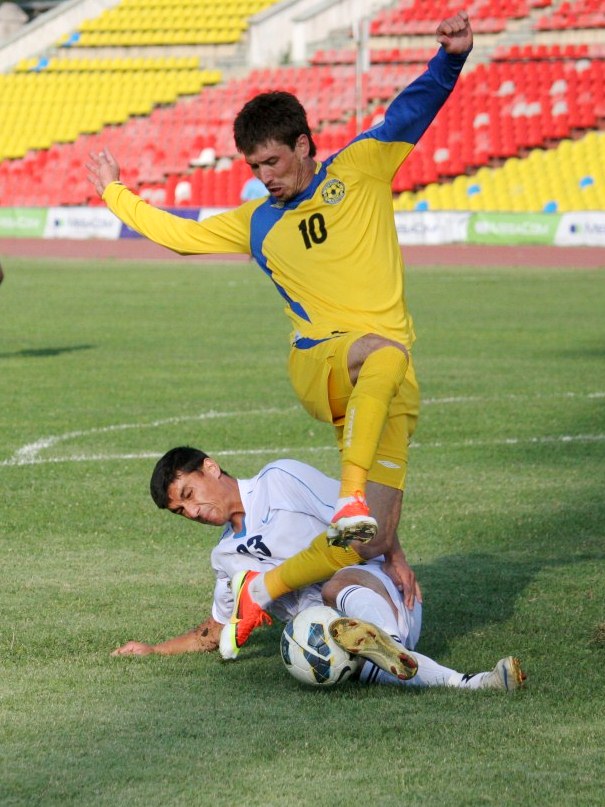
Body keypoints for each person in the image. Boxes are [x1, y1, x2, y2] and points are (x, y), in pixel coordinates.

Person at [87, 12, 474, 645]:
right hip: (320, 363)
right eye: (254, 167)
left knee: (372, 537)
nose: (265, 177)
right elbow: (181, 236)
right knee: (384, 354)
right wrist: (115, 195)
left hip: (388, 383)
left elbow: (414, 108)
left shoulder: (362, 166)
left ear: (304, 145)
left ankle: (267, 592)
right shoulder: (257, 222)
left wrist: (451, 58)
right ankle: (348, 498)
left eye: (272, 161)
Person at [112, 447, 526, 693]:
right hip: (329, 643)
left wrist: (396, 556)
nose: (192, 511)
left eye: (189, 494)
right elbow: (218, 627)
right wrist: (155, 650)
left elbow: (362, 518)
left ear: (211, 467)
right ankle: (453, 677)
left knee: (334, 587)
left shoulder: (279, 480)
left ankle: (387, 643)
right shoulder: (226, 557)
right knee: (318, 631)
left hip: (381, 592)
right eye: (180, 511)